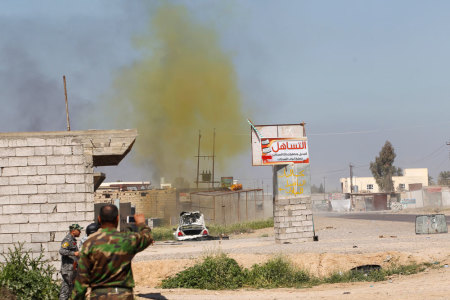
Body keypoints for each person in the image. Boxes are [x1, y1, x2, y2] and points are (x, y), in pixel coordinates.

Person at [72, 204, 153, 300]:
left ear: (99, 219)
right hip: (123, 295)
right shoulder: (127, 239)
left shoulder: (90, 244)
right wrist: (141, 224)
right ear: (117, 219)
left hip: (99, 295)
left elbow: (82, 278)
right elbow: (147, 237)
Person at [59, 223, 83, 300]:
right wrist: (74, 253)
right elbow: (62, 251)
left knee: (72, 290)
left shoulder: (72, 240)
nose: (80, 232)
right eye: (78, 230)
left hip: (72, 269)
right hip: (68, 269)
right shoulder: (67, 240)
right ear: (73, 231)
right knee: (65, 290)